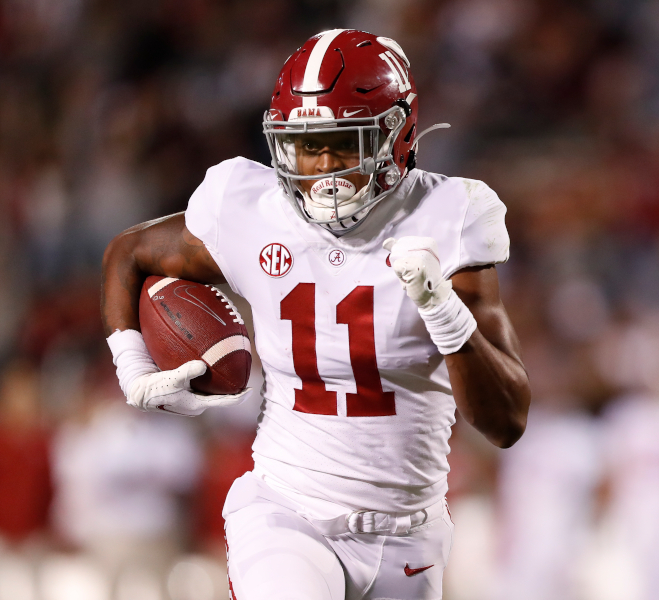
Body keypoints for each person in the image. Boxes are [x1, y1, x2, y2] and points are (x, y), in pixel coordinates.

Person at [100, 29, 530, 600]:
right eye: (307, 144)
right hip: (288, 511)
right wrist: (130, 364)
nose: (323, 168)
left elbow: (505, 422)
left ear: (394, 135)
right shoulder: (250, 208)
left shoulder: (448, 216)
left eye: (343, 143)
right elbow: (128, 254)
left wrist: (441, 307)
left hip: (408, 535)